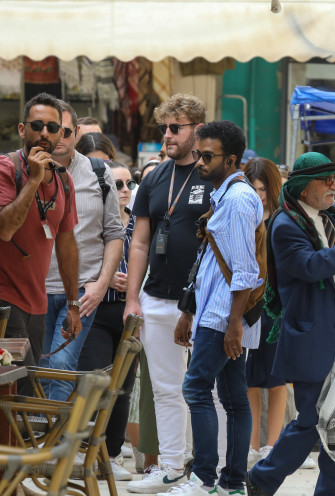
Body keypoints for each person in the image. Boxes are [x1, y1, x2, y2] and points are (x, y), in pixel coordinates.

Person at [246, 152, 335, 496]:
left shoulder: (330, 211)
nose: (334, 186)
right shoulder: (285, 225)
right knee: (312, 423)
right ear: (301, 187)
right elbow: (312, 265)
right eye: (325, 181)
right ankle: (262, 479)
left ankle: (331, 491)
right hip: (314, 341)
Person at [125, 94, 214, 494]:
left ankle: (212, 474)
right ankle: (173, 466)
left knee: (206, 388)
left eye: (175, 128)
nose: (167, 135)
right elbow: (140, 243)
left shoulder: (214, 174)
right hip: (157, 298)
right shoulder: (154, 178)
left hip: (204, 301)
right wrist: (132, 298)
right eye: (164, 128)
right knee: (164, 387)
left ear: (197, 129)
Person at [167, 120, 262, 496]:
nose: (200, 162)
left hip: (223, 316)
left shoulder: (237, 200)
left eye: (208, 156)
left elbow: (244, 271)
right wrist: (188, 312)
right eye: (199, 155)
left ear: (232, 159)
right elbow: (211, 263)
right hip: (215, 312)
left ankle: (204, 478)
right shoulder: (226, 195)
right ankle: (233, 483)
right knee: (235, 398)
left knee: (196, 388)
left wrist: (233, 323)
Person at [42, 101, 125, 401]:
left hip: (79, 292)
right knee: (37, 369)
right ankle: (39, 439)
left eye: (65, 131)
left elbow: (115, 233)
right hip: (34, 292)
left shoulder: (98, 173)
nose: (59, 137)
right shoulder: (26, 172)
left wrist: (101, 285)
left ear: (76, 132)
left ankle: (57, 447)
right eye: (52, 130)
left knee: (62, 365)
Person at [0, 93, 81, 383]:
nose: (44, 133)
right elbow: (6, 229)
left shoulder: (64, 180)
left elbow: (67, 243)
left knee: (27, 388)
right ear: (23, 130)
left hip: (38, 304)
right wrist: (33, 179)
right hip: (5, 303)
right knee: (17, 392)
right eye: (37, 125)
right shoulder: (6, 168)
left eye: (52, 127)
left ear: (62, 132)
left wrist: (73, 304)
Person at [241, 157, 316, 471]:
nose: (258, 194)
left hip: (278, 306)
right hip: (246, 305)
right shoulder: (243, 214)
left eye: (262, 188)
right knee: (249, 379)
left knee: (276, 379)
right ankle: (251, 445)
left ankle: (272, 445)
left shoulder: (285, 219)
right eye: (253, 188)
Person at [77, 161, 138, 481]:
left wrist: (137, 282)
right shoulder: (94, 221)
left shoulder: (141, 221)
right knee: (96, 383)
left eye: (130, 183)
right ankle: (85, 452)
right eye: (117, 184)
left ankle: (111, 455)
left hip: (130, 314)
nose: (125, 190)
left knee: (123, 389)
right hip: (97, 311)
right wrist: (106, 276)